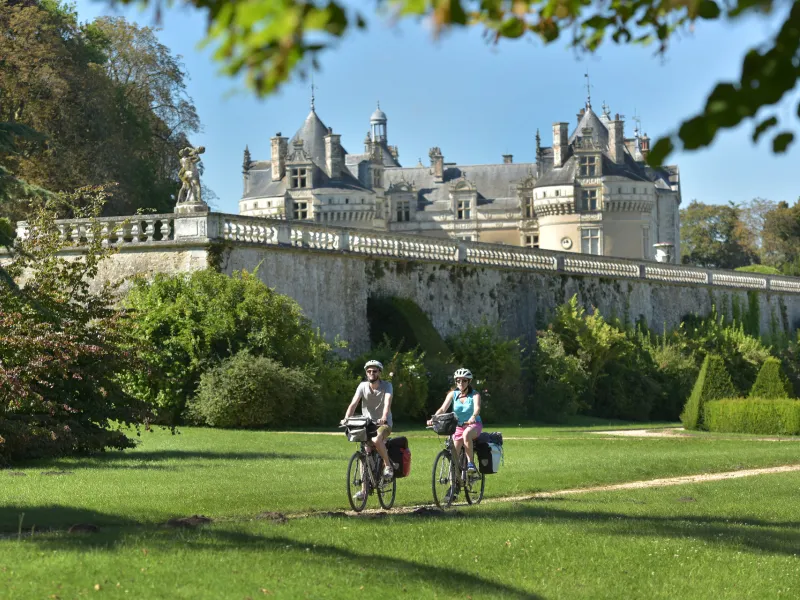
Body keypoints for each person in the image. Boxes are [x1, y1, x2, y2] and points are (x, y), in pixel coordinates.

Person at [341, 359, 394, 501]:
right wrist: (346, 418)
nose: (371, 373)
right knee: (364, 454)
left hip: (383, 424)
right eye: (369, 371)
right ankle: (364, 491)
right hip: (367, 424)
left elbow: (387, 403)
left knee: (377, 439)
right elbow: (354, 403)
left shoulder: (387, 386)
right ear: (366, 373)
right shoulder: (362, 386)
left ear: (379, 373)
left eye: (374, 371)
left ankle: (388, 466)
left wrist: (383, 417)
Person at [427, 368, 482, 475]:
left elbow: (477, 408)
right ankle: (454, 484)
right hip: (458, 426)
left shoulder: (475, 395)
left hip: (473, 425)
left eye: (464, 380)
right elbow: (443, 409)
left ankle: (471, 464)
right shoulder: (453, 394)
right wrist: (433, 419)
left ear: (469, 381)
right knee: (454, 458)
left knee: (466, 434)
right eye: (458, 380)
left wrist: (473, 417)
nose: (461, 383)